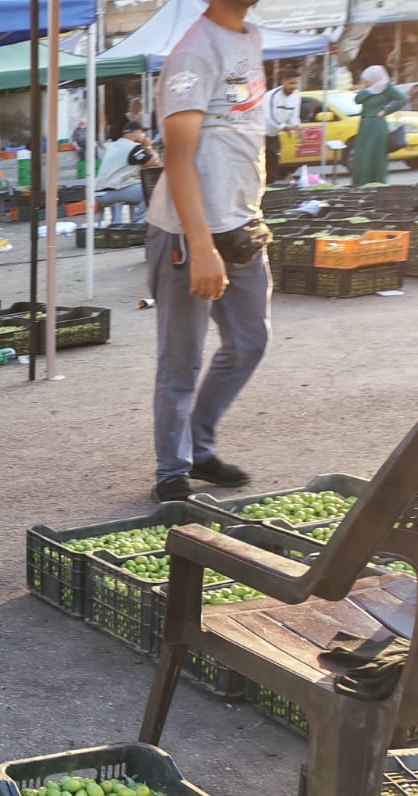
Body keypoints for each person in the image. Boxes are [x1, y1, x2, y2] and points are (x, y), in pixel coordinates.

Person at [144, 0, 270, 502]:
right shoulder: (192, 53)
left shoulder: (251, 37)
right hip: (186, 233)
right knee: (182, 360)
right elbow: (177, 157)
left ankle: (199, 446)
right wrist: (201, 245)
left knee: (249, 342)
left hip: (242, 224)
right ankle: (171, 470)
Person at [350, 66, 407, 186]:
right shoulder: (369, 89)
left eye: (367, 79)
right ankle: (361, 185)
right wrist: (363, 87)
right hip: (364, 125)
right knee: (362, 156)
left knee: (376, 156)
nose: (365, 81)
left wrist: (386, 111)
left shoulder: (387, 87)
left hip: (377, 125)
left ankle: (377, 185)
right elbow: (357, 100)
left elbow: (402, 99)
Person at [94, 121, 161, 221]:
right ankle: (140, 223)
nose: (143, 135)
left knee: (137, 186)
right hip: (114, 190)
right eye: (141, 132)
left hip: (100, 191)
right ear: (133, 133)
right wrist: (148, 146)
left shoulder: (113, 145)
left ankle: (134, 222)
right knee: (152, 190)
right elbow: (154, 163)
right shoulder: (133, 147)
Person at [262, 74, 300, 183]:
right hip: (260, 135)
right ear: (283, 81)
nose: (294, 86)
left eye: (296, 83)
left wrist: (296, 128)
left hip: (274, 136)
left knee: (273, 167)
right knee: (259, 166)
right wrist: (284, 127)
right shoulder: (271, 95)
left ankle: (269, 190)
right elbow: (269, 116)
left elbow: (294, 116)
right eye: (291, 83)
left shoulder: (296, 97)